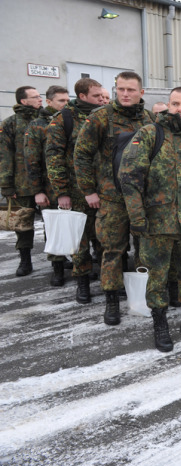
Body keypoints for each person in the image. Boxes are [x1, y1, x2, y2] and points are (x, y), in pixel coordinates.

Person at [120, 86, 181, 352]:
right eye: (175, 104)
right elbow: (129, 177)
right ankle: (161, 324)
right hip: (157, 223)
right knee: (158, 276)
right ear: (167, 105)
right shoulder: (151, 134)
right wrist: (137, 216)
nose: (180, 109)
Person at [74, 71, 155, 325]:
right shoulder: (100, 118)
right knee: (112, 251)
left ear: (141, 93)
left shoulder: (149, 118)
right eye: (121, 89)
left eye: (131, 90)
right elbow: (82, 155)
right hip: (112, 198)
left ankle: (143, 297)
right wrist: (89, 190)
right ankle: (111, 301)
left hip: (143, 198)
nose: (125, 94)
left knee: (145, 250)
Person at [45, 78, 105, 303]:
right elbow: (53, 158)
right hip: (76, 190)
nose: (101, 99)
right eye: (96, 96)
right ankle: (82, 282)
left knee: (103, 237)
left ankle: (108, 280)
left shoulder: (104, 116)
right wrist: (62, 192)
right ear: (82, 96)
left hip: (104, 189)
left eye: (102, 95)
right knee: (79, 241)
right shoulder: (63, 120)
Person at [24, 85, 71, 285]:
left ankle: (75, 264)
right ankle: (57, 269)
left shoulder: (71, 121)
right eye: (61, 101)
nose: (65, 104)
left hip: (72, 186)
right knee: (54, 229)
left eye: (68, 101)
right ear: (49, 101)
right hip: (50, 188)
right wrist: (38, 191)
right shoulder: (37, 125)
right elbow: (32, 161)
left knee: (74, 228)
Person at [0, 86, 42, 277]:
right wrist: (6, 184)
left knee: (52, 222)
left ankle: (58, 258)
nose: (40, 99)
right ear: (24, 101)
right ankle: (25, 260)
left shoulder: (45, 120)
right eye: (35, 97)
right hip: (22, 184)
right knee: (23, 224)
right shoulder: (10, 124)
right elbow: (4, 155)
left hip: (45, 182)